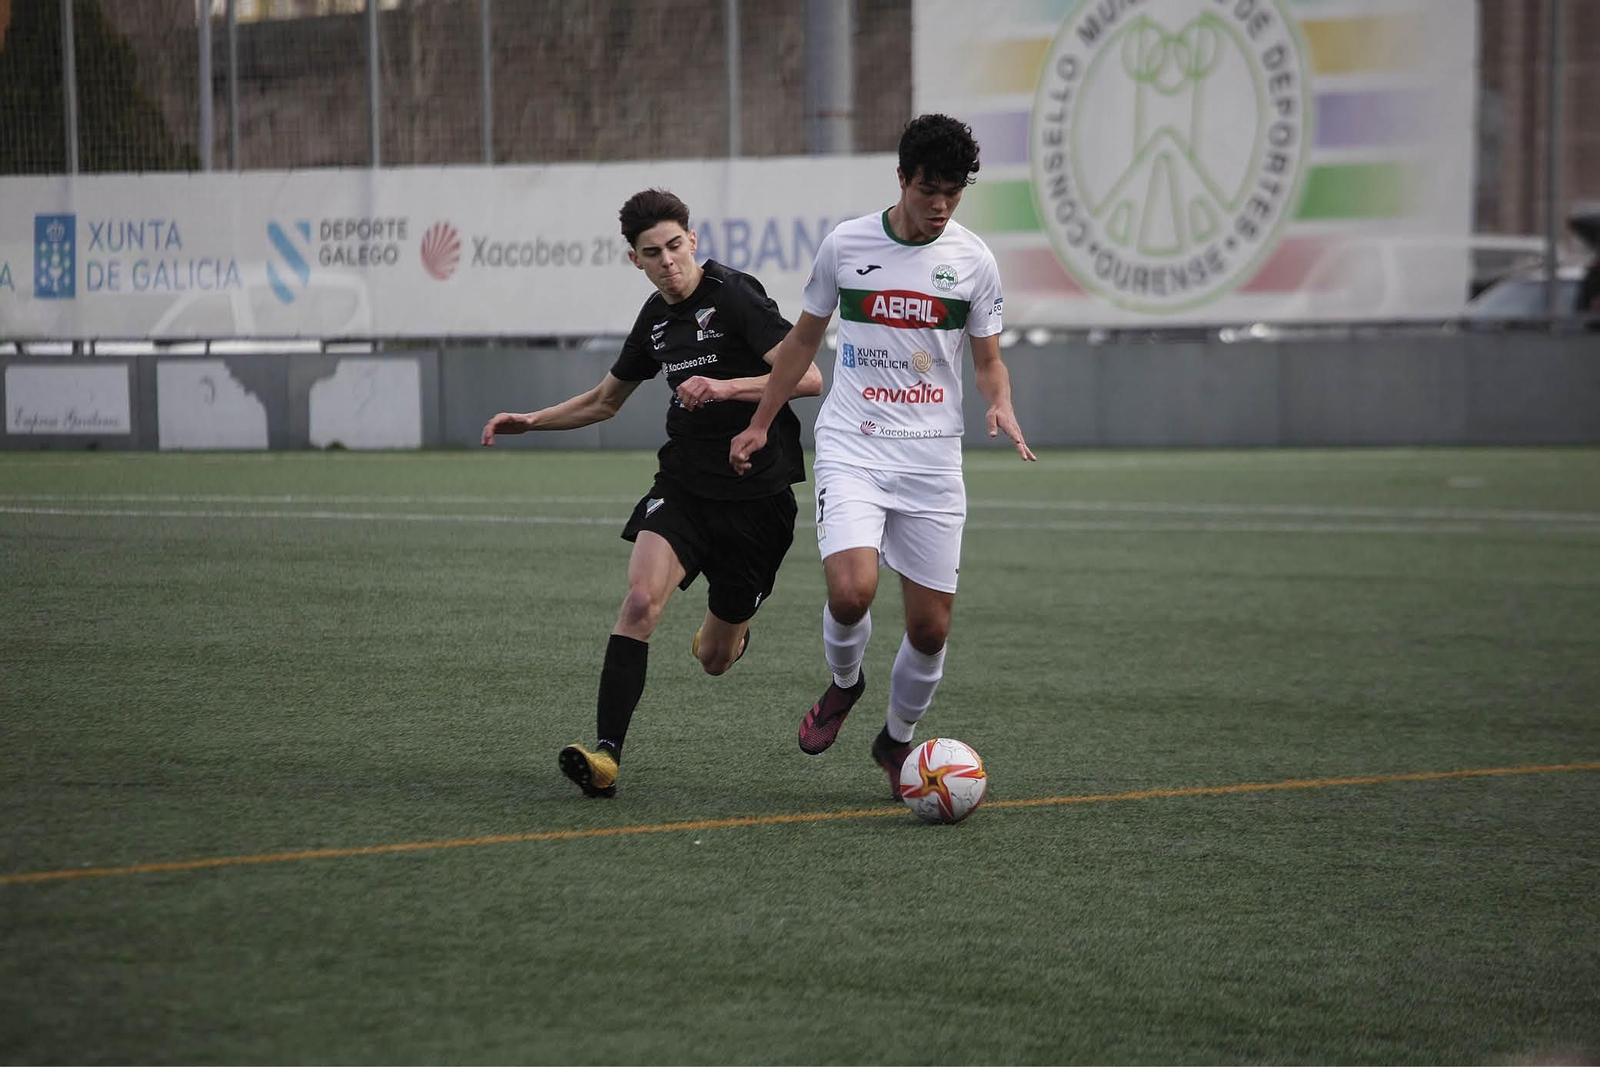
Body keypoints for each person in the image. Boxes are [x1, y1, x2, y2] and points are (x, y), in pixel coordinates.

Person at [728, 114, 1036, 800]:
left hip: (931, 459)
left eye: (953, 193)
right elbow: (802, 346)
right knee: (851, 589)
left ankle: (896, 738)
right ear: (902, 178)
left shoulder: (974, 261)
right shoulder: (847, 246)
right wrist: (760, 423)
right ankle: (845, 685)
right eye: (929, 188)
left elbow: (988, 362)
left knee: (931, 628)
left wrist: (1000, 401)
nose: (940, 205)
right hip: (853, 446)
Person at [482, 188, 823, 798]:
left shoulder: (736, 295)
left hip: (758, 498)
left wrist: (724, 389)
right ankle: (607, 754)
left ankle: (729, 633)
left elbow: (809, 376)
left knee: (713, 658)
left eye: (674, 246)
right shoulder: (654, 321)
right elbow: (604, 401)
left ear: (692, 241)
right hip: (685, 485)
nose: (667, 261)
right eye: (651, 253)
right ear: (634, 260)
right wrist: (530, 421)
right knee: (640, 603)